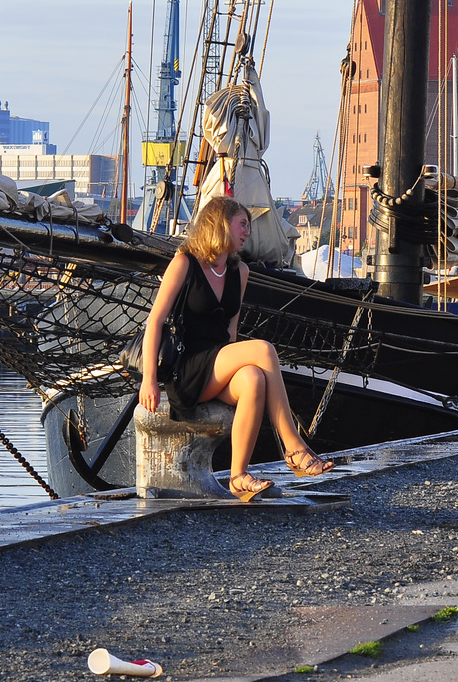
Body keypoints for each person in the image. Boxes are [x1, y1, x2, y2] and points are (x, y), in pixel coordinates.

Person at [138, 196, 334, 501]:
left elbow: (230, 331)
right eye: (243, 224)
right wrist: (149, 379)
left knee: (254, 377)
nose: (248, 233)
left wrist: (234, 371)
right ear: (220, 223)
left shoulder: (239, 271)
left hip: (217, 365)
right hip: (187, 367)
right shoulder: (185, 262)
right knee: (264, 349)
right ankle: (294, 447)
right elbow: (155, 322)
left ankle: (238, 475)